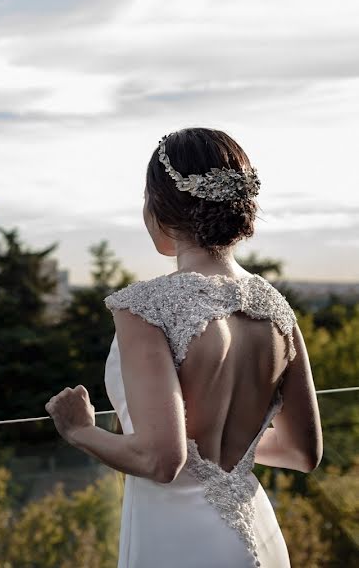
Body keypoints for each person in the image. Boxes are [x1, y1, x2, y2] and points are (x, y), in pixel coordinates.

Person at [45, 128, 323, 567]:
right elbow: (302, 453)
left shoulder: (145, 307)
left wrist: (80, 431)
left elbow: (161, 460)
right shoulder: (277, 309)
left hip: (180, 541)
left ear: (160, 207)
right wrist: (226, 456)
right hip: (256, 530)